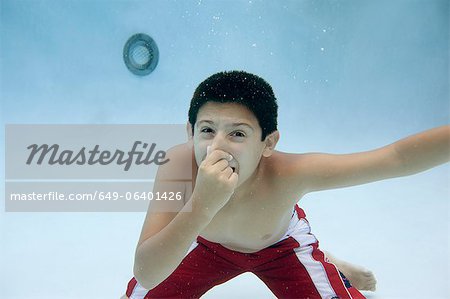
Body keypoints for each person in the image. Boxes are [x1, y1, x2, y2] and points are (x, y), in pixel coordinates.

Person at [123, 71, 449, 299]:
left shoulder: (291, 173)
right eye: (207, 130)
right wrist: (202, 207)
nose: (217, 147)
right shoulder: (178, 165)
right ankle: (330, 260)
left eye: (238, 133)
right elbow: (148, 272)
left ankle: (323, 258)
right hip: (203, 244)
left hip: (279, 248)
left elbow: (394, 158)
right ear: (190, 134)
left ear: (269, 142)